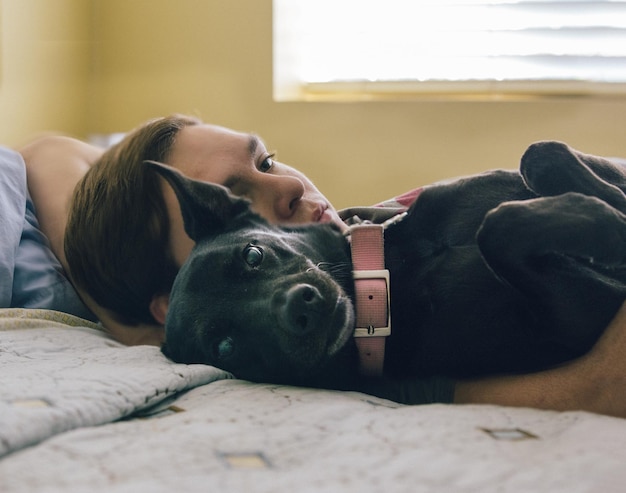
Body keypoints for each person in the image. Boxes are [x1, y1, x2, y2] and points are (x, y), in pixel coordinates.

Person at [18, 114, 626, 417]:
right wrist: (140, 328)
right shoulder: (371, 348)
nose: (285, 185)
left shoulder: (372, 238)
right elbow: (605, 383)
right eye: (238, 204)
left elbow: (48, 150)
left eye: (268, 160)